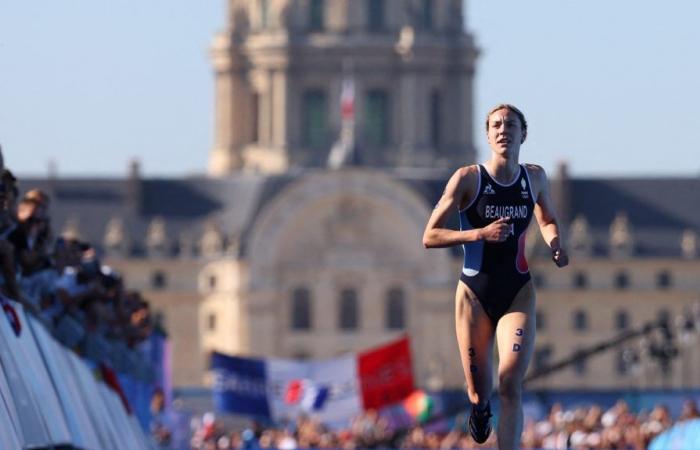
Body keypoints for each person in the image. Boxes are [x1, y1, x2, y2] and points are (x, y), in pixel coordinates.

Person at [422, 104, 568, 449]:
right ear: (488, 135)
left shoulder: (534, 178)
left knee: (510, 382)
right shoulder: (468, 179)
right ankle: (479, 406)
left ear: (523, 134)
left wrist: (555, 243)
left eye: (511, 125)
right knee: (479, 389)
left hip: (517, 291)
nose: (504, 130)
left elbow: (546, 218)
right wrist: (478, 234)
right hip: (474, 293)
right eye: (497, 125)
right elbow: (430, 236)